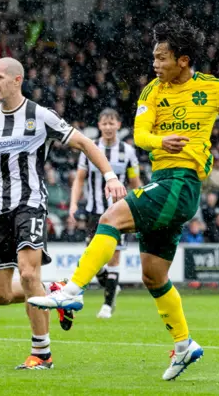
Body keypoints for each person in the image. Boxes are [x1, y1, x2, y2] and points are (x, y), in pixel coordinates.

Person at [29, 19, 219, 381]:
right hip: (165, 180)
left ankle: (73, 289)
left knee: (112, 216)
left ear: (183, 60)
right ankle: (185, 344)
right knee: (153, 275)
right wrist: (161, 141)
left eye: (162, 57)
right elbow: (140, 134)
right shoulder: (151, 92)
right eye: (154, 57)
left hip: (182, 183)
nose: (154, 64)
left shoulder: (214, 89)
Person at [0, 58, 125, 370]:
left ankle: (42, 354)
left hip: (30, 204)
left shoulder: (40, 115)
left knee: (29, 273)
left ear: (17, 79)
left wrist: (111, 176)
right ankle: (55, 292)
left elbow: (86, 143)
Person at [68, 108, 142, 319]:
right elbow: (80, 179)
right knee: (92, 256)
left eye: (112, 123)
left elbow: (135, 182)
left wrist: (139, 206)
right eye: (104, 124)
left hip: (118, 212)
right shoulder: (91, 148)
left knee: (114, 257)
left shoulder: (127, 151)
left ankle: (107, 306)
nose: (108, 127)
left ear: (119, 125)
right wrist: (74, 203)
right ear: (99, 126)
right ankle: (111, 285)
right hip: (94, 211)